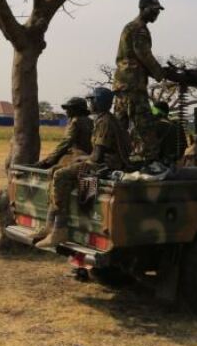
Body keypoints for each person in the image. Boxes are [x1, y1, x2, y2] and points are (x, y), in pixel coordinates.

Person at [35, 88, 128, 248]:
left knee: (60, 175)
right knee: (62, 172)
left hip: (105, 165)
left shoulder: (104, 121)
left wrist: (81, 158)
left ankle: (59, 229)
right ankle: (51, 226)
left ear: (98, 102)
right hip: (105, 162)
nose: (90, 103)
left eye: (92, 100)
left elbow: (97, 156)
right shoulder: (102, 119)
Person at [113, 0, 177, 161]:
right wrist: (160, 73)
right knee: (145, 125)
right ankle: (150, 162)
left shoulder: (130, 27)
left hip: (122, 83)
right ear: (144, 8)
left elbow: (135, 58)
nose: (157, 13)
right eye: (154, 10)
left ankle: (114, 158)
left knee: (120, 125)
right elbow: (144, 54)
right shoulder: (139, 28)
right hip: (133, 84)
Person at [35, 97, 93, 170]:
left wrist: (48, 161)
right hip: (88, 156)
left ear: (76, 110)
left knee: (53, 171)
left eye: (69, 109)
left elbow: (65, 144)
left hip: (77, 156)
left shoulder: (76, 121)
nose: (66, 111)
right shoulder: (91, 121)